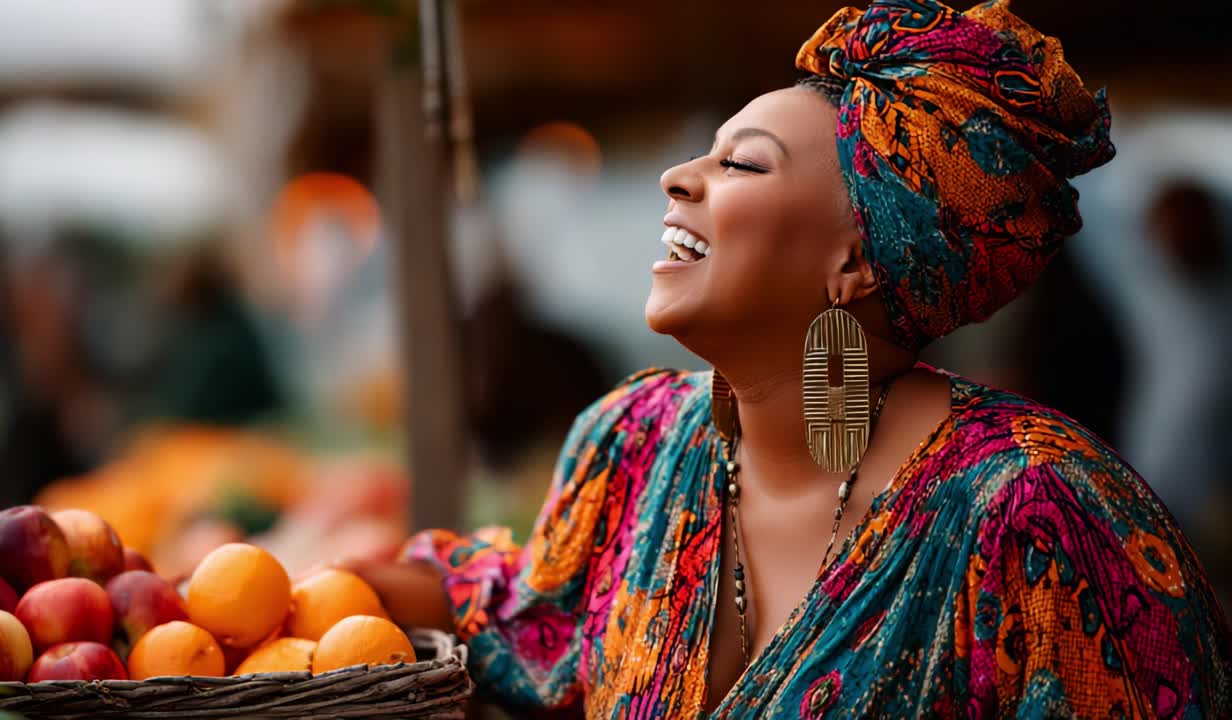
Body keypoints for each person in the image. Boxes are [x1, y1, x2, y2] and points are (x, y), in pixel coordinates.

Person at [346, 1, 1232, 716]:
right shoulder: (635, 443)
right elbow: (526, 612)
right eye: (705, 153)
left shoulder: (1037, 513)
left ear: (852, 261)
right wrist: (310, 591)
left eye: (745, 165)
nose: (679, 177)